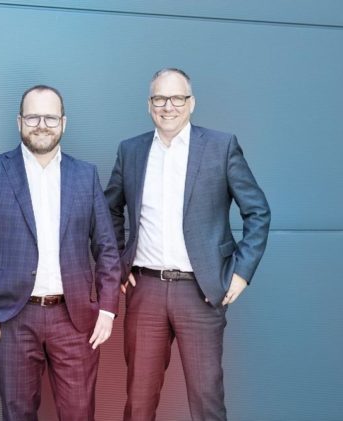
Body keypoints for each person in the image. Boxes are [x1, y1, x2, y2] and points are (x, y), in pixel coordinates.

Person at [105, 68, 271, 421]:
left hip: (201, 290)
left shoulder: (221, 147)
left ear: (191, 103)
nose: (169, 106)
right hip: (145, 291)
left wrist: (241, 273)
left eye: (177, 98)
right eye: (160, 98)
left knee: (206, 401)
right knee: (139, 401)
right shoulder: (130, 150)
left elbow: (258, 212)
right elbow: (109, 210)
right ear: (149, 105)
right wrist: (118, 262)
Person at [0, 85, 120, 421]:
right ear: (19, 122)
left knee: (79, 414)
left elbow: (107, 247)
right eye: (32, 117)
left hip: (75, 319)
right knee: (18, 413)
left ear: (63, 122)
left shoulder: (84, 175)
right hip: (13, 317)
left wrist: (107, 309)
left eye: (50, 118)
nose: (41, 125)